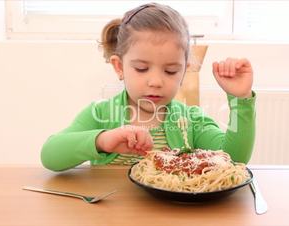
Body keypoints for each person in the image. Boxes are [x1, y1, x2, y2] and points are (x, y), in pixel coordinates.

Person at [41, 3, 256, 172]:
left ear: (184, 71)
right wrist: (102, 140)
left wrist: (241, 100)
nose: (155, 81)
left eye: (170, 71)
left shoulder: (191, 121)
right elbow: (50, 155)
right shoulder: (101, 114)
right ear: (119, 67)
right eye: (142, 69)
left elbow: (234, 159)